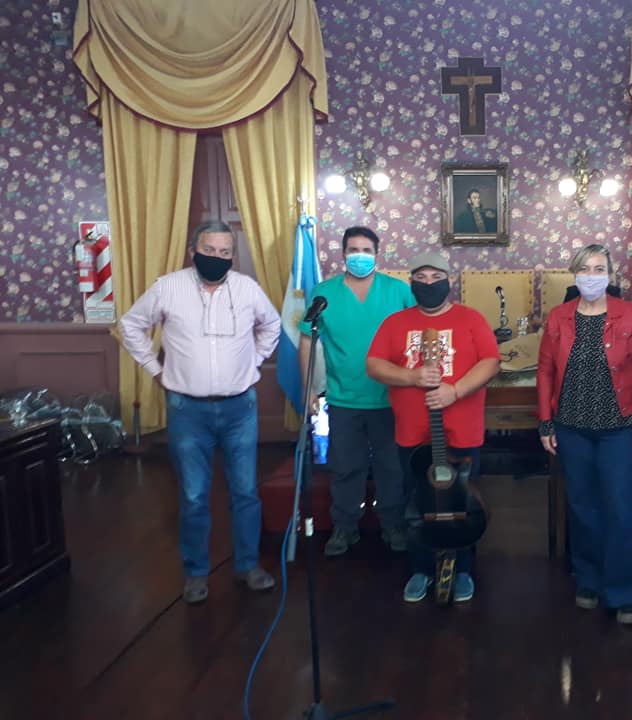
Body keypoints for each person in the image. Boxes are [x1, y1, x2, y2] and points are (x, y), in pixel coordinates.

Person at [119, 220, 281, 605]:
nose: (217, 257)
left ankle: (247, 566)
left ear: (232, 256)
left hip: (239, 408)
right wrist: (155, 370)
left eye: (225, 252)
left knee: (245, 492)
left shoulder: (247, 289)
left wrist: (255, 362)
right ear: (193, 251)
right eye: (210, 250)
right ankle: (195, 573)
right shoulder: (168, 287)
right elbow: (130, 326)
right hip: (187, 410)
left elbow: (272, 325)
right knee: (193, 496)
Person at [537, 243, 632, 626]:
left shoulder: (629, 314)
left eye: (599, 269)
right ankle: (588, 581)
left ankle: (623, 592)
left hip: (619, 430)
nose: (591, 276)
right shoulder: (559, 317)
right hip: (571, 429)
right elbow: (545, 371)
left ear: (609, 275)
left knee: (620, 510)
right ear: (574, 274)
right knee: (582, 508)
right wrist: (546, 422)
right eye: (585, 269)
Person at [367, 252, 500, 603]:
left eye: (436, 276)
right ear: (412, 282)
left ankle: (463, 569)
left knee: (463, 502)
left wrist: (455, 390)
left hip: (463, 432)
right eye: (421, 277)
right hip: (412, 433)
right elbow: (374, 365)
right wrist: (412, 376)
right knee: (417, 502)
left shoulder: (471, 319)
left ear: (449, 280)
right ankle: (422, 569)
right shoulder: (395, 322)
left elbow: (491, 362)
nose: (429, 283)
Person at [298, 226, 416, 557]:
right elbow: (307, 340)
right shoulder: (324, 293)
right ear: (343, 254)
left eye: (366, 250)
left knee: (391, 467)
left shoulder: (398, 291)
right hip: (343, 397)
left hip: (390, 398)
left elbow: (416, 335)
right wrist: (308, 390)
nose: (359, 256)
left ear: (377, 255)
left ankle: (392, 524)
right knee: (345, 466)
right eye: (353, 250)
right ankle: (345, 526)